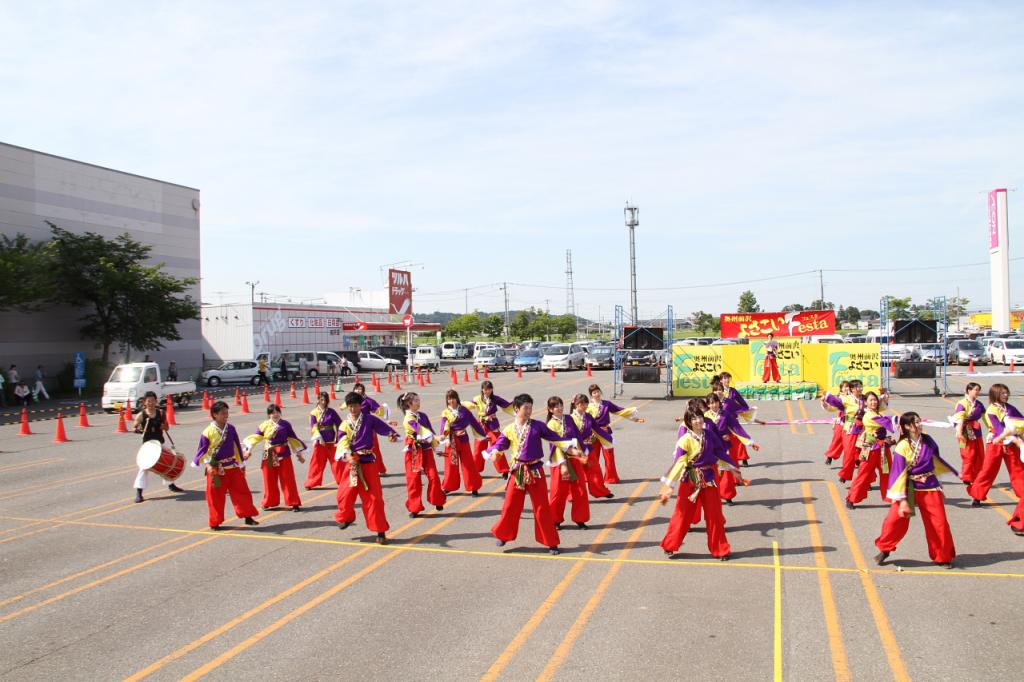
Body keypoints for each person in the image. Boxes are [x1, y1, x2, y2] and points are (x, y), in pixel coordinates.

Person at [484, 393, 579, 555]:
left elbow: (555, 438)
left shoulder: (537, 426)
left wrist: (571, 449)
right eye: (525, 407)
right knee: (510, 505)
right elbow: (500, 445)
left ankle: (551, 542)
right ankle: (504, 534)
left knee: (542, 507)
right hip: (518, 470)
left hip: (535, 470)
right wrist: (493, 452)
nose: (529, 411)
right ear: (516, 408)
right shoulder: (509, 429)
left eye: (530, 407)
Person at [874, 412, 957, 568]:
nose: (919, 425)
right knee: (894, 521)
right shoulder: (902, 446)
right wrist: (903, 500)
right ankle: (885, 548)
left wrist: (939, 485)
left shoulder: (928, 441)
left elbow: (935, 460)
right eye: (915, 422)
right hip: (907, 486)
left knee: (939, 522)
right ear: (906, 426)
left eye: (919, 422)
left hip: (929, 485)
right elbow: (897, 473)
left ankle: (943, 555)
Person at [658, 409, 737, 560]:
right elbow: (680, 462)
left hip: (709, 479)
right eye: (693, 419)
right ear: (688, 421)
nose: (698, 421)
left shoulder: (710, 435)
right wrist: (670, 486)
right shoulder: (685, 440)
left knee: (715, 515)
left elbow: (720, 452)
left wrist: (733, 467)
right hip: (691, 479)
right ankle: (670, 544)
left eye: (699, 417)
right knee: (682, 514)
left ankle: (720, 549)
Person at [334, 391, 399, 544]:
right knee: (344, 495)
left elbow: (384, 428)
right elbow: (342, 441)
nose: (353, 409)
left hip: (368, 462)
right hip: (352, 463)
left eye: (355, 406)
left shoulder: (369, 419)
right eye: (350, 406)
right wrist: (349, 457)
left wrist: (392, 434)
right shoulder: (345, 424)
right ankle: (346, 517)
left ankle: (380, 531)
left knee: (374, 498)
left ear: (360, 405)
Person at [192, 400, 260, 530]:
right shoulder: (207, 432)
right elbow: (203, 451)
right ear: (214, 415)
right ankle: (215, 521)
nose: (226, 415)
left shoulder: (231, 428)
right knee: (215, 496)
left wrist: (241, 462)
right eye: (223, 413)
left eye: (227, 413)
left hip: (233, 466)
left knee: (242, 492)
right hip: (217, 468)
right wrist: (208, 465)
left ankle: (248, 516)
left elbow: (236, 447)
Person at [968, 383, 1024, 508]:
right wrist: (1014, 438)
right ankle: (977, 496)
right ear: (995, 394)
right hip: (996, 442)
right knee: (988, 470)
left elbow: (1021, 421)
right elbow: (999, 430)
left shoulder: (1010, 408)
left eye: (1006, 392)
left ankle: (1023, 495)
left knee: (1018, 470)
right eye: (1003, 393)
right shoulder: (991, 410)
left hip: (1012, 442)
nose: (1006, 395)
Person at [243, 404, 307, 511]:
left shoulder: (286, 424)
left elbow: (293, 439)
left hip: (284, 454)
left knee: (288, 479)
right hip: (268, 454)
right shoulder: (264, 425)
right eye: (272, 413)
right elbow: (255, 438)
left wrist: (299, 454)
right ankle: (269, 501)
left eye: (277, 412)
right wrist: (248, 450)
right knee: (269, 479)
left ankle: (293, 502)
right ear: (269, 415)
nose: (275, 414)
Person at [397, 391, 446, 517]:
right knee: (414, 480)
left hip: (426, 448)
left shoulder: (423, 415)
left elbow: (429, 429)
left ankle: (437, 500)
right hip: (413, 450)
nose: (419, 403)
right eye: (416, 401)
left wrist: (436, 446)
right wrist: (434, 436)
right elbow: (420, 429)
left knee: (434, 475)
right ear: (409, 403)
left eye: (419, 400)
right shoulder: (408, 419)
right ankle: (414, 507)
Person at [586, 384, 645, 486]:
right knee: (593, 457)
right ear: (591, 395)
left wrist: (635, 419)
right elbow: (584, 421)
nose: (596, 394)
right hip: (593, 434)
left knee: (609, 456)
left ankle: (611, 477)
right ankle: (591, 477)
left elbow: (620, 411)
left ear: (600, 392)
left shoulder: (607, 404)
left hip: (605, 433)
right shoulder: (588, 407)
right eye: (594, 393)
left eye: (598, 391)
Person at [132, 390, 185, 502]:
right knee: (144, 468)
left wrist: (164, 426)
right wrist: (138, 430)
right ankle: (139, 492)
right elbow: (134, 427)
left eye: (153, 401)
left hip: (159, 443)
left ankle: (171, 484)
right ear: (144, 402)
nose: (151, 403)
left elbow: (167, 428)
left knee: (170, 461)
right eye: (148, 401)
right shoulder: (141, 415)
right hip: (148, 445)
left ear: (156, 401)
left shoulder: (161, 413)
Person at [546, 395, 590, 530]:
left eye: (560, 405)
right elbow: (555, 446)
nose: (559, 408)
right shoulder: (550, 425)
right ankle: (555, 520)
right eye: (555, 406)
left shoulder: (569, 418)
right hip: (560, 462)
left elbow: (577, 435)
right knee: (558, 492)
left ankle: (580, 519)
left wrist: (583, 451)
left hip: (575, 460)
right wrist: (564, 465)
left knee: (580, 489)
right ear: (550, 409)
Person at [845, 392, 892, 509]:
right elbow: (887, 423)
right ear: (866, 402)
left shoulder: (877, 412)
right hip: (869, 447)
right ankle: (851, 498)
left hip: (882, 449)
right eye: (871, 400)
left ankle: (892, 497)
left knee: (887, 473)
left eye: (875, 400)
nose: (873, 402)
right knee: (863, 474)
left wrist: (884, 398)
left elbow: (884, 407)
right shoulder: (869, 416)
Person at [439, 389, 487, 495]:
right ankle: (448, 486)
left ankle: (474, 487)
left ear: (457, 398)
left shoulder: (464, 410)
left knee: (468, 464)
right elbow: (443, 427)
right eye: (449, 399)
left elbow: (474, 423)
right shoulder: (445, 412)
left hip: (463, 440)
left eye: (453, 398)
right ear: (447, 400)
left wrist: (484, 434)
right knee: (451, 465)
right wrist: (444, 438)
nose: (451, 401)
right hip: (451, 442)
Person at [464, 380, 513, 476]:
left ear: (492, 389)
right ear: (482, 389)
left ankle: (504, 470)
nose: (487, 391)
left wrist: (517, 405)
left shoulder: (495, 399)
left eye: (489, 389)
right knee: (478, 449)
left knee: (497, 446)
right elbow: (469, 405)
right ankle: (476, 469)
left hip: (492, 424)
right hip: (481, 425)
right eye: (485, 389)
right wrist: (459, 404)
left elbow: (507, 405)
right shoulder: (477, 399)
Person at [823, 379, 866, 483]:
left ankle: (865, 479)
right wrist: (827, 399)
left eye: (861, 386)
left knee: (865, 455)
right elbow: (834, 406)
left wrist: (883, 398)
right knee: (849, 452)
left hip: (864, 430)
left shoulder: (866, 398)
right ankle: (845, 473)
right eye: (858, 387)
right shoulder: (845, 399)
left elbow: (877, 405)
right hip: (850, 428)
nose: (860, 388)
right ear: (852, 389)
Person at [353, 382, 393, 475]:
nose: (358, 390)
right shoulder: (352, 400)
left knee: (374, 448)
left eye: (360, 388)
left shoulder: (368, 401)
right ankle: (358, 470)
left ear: (363, 390)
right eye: (356, 388)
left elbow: (379, 411)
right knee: (356, 448)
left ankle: (381, 469)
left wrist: (387, 418)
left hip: (368, 426)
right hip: (355, 428)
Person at [306, 392, 343, 489]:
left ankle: (342, 481)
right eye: (321, 399)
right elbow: (313, 427)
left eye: (325, 400)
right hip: (320, 441)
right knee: (317, 463)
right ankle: (311, 482)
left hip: (331, 440)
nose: (323, 402)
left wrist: (338, 437)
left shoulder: (331, 412)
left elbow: (340, 424)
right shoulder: (313, 413)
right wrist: (320, 438)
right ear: (318, 400)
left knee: (337, 462)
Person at [951, 382, 985, 488]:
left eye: (979, 390)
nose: (977, 392)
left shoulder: (979, 404)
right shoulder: (962, 403)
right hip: (964, 432)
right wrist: (959, 431)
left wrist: (993, 429)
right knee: (968, 454)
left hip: (976, 431)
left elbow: (986, 416)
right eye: (976, 390)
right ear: (969, 390)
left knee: (980, 454)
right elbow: (959, 418)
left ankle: (977, 475)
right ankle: (967, 476)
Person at [821, 381, 851, 466]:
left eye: (848, 387)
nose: (847, 388)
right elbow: (831, 408)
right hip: (841, 422)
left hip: (852, 424)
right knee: (837, 440)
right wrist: (824, 403)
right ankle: (830, 456)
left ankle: (856, 459)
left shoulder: (855, 398)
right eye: (845, 387)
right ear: (841, 389)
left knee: (855, 442)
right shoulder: (839, 398)